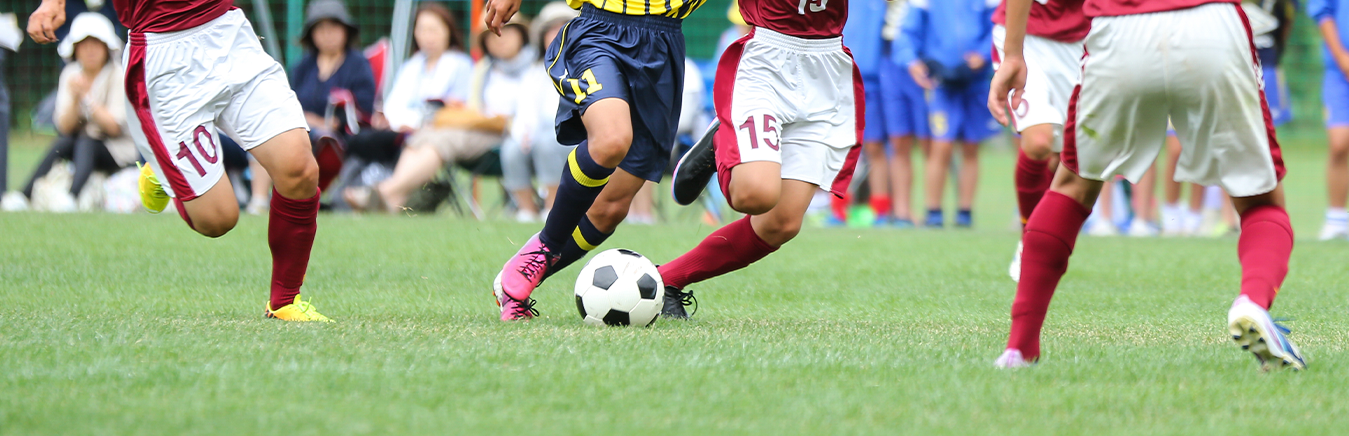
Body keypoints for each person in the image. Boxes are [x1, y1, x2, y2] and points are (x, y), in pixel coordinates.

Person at [990, 0, 1305, 369]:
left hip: (1119, 30)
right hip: (1211, 26)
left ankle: (1019, 349)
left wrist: (1013, 55)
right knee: (1260, 202)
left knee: (1072, 186)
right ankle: (1251, 303)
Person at [29, 0, 329, 321]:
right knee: (217, 220)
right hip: (162, 55)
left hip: (227, 31)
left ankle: (284, 301)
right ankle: (162, 170)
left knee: (299, 169)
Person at [484, 0, 705, 320]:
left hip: (664, 42)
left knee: (609, 210)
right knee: (611, 139)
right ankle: (544, 246)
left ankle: (513, 283)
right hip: (601, 29)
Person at [660, 0, 861, 319]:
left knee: (780, 224)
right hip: (768, 57)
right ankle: (722, 138)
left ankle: (665, 281)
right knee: (754, 195)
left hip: (827, 67)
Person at [358, 15, 533, 213]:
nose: (501, 39)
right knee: (427, 134)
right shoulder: (483, 70)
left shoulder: (536, 67)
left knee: (443, 138)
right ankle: (394, 198)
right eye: (494, 34)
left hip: (510, 136)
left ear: (522, 35)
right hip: (479, 129)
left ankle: (387, 192)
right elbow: (473, 110)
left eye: (508, 32)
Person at [247, 0, 375, 214]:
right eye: (321, 28)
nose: (328, 34)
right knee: (266, 132)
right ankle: (258, 200)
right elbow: (287, 102)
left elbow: (362, 109)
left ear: (346, 31)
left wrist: (322, 122)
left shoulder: (358, 65)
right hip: (299, 129)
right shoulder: (303, 67)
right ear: (312, 34)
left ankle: (270, 200)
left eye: (334, 27)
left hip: (339, 139)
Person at [341, 3, 473, 211]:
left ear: (448, 31)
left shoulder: (461, 65)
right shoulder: (411, 66)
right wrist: (389, 120)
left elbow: (462, 108)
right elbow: (394, 105)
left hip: (437, 131)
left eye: (433, 30)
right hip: (402, 131)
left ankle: (384, 194)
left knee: (421, 140)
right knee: (367, 139)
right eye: (422, 30)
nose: (428, 37)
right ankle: (386, 199)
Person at [996, 0, 1088, 280]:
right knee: (1038, 143)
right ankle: (1030, 240)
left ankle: (1044, 238)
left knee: (1061, 157)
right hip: (1023, 34)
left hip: (1081, 41)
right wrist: (1013, 54)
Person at [15, 13, 134, 212]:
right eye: (84, 45)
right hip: (80, 144)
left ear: (106, 48)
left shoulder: (117, 74)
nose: (90, 51)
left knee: (86, 142)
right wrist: (76, 99)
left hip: (117, 150)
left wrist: (87, 99)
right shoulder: (70, 74)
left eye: (96, 44)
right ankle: (24, 195)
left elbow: (114, 127)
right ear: (75, 49)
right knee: (64, 143)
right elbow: (65, 127)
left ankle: (72, 196)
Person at [899, 0, 1001, 229]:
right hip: (942, 81)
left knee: (971, 147)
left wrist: (983, 55)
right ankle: (933, 210)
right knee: (941, 146)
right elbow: (907, 33)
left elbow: (997, 27)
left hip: (975, 81)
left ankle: (965, 212)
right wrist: (912, 62)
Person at [500, 2, 578, 223]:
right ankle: (527, 209)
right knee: (511, 149)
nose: (557, 35)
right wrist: (523, 134)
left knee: (547, 143)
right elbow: (524, 113)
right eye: (551, 29)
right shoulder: (534, 73)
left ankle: (552, 207)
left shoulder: (589, 68)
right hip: (540, 136)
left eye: (563, 28)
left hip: (577, 140)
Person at [875, 0, 931, 228]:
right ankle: (902, 212)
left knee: (931, 143)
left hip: (925, 59)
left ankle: (932, 210)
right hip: (888, 58)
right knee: (899, 140)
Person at [1308, 0, 1349, 240]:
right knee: (1339, 142)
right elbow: (1323, 12)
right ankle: (1336, 219)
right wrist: (1342, 57)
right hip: (1339, 71)